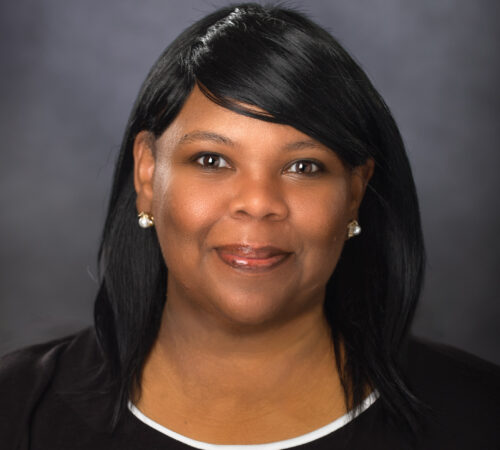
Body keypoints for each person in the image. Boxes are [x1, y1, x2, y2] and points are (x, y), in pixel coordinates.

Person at [0, 3, 498, 449]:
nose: (259, 204)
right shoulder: (17, 408)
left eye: (303, 167)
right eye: (212, 159)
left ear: (355, 193)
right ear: (148, 174)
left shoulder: (478, 415)